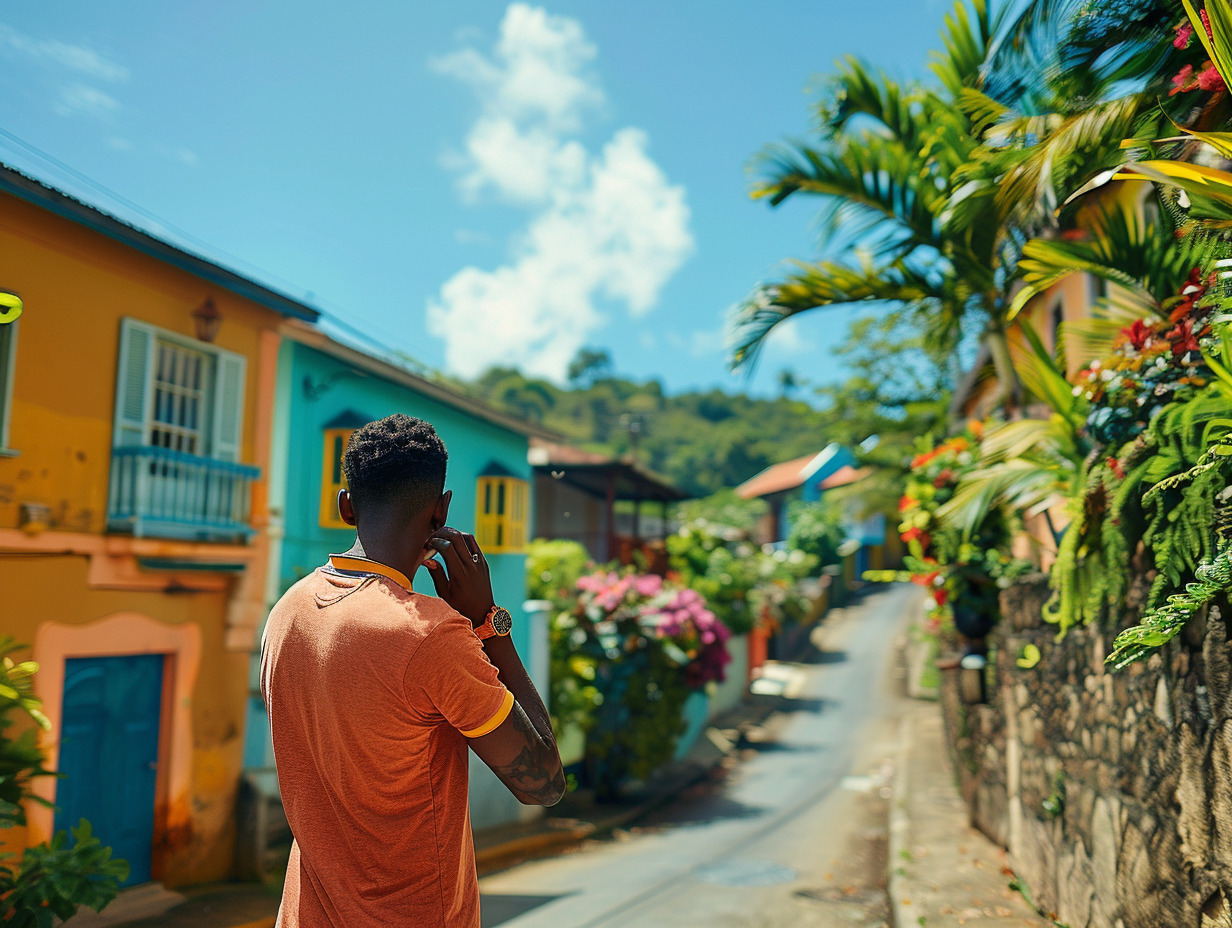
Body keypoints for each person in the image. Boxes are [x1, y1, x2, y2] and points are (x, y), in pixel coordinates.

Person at [261, 414, 565, 928]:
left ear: (346, 505)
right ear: (441, 511)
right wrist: (489, 625)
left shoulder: (286, 612)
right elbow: (545, 783)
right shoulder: (431, 636)